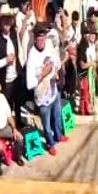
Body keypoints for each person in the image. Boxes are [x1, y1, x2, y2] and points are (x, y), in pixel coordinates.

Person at [26, 24, 65, 155]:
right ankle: (50, 144)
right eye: (39, 37)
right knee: (46, 125)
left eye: (43, 37)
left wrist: (54, 70)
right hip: (42, 97)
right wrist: (43, 74)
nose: (42, 40)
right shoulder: (32, 56)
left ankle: (59, 136)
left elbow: (54, 60)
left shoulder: (49, 44)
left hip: (53, 90)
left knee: (57, 116)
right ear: (35, 38)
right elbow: (29, 84)